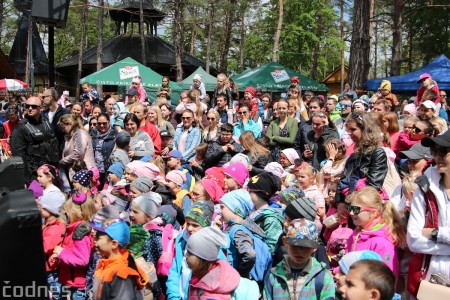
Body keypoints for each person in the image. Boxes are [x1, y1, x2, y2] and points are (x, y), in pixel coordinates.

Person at [406, 129, 450, 296]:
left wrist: (435, 233)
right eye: (434, 151)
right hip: (427, 282)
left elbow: (422, 235)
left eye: (443, 151)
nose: (437, 157)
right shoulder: (424, 188)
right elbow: (414, 240)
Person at [263, 218, 336, 300]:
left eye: (306, 246)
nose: (300, 251)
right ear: (285, 242)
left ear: (315, 247)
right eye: (295, 245)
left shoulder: (323, 276)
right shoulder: (273, 275)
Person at [166, 201, 224, 299]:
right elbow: (174, 271)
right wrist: (173, 296)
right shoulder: (182, 241)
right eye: (188, 223)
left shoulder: (214, 249)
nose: (189, 228)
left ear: (206, 227)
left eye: (195, 225)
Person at [346, 187, 405, 278]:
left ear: (373, 213)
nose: (351, 213)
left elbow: (387, 277)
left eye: (356, 209)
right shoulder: (355, 234)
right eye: (350, 208)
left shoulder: (382, 243)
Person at [336, 112, 388, 203]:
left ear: (364, 130)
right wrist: (339, 203)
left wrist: (353, 205)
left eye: (353, 129)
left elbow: (373, 186)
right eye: (348, 130)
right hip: (350, 203)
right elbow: (343, 180)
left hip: (364, 205)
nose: (349, 133)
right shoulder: (354, 155)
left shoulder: (377, 153)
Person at [52, 192, 96, 299]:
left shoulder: (80, 233)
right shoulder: (73, 229)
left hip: (78, 285)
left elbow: (83, 260)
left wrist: (61, 253)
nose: (65, 214)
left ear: (79, 213)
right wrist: (61, 258)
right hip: (71, 281)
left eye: (68, 211)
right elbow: (73, 252)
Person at [91, 219, 148, 299]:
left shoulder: (122, 273)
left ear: (114, 244)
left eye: (98, 238)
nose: (94, 241)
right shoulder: (104, 262)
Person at [10, 96, 60, 185]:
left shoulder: (46, 123)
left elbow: (54, 145)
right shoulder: (20, 128)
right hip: (32, 174)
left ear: (40, 108)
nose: (29, 108)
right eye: (27, 106)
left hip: (49, 170)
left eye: (33, 106)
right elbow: (18, 155)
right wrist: (25, 179)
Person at [219, 189, 268, 280]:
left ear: (235, 209)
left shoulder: (238, 230)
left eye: (222, 207)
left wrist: (239, 276)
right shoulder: (244, 226)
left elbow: (249, 254)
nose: (219, 211)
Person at [38, 191, 67, 300]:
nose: (39, 208)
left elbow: (44, 247)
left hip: (53, 271)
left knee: (57, 296)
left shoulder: (56, 227)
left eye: (42, 207)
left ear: (50, 210)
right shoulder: (47, 222)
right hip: (47, 269)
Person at [247, 173, 283, 255]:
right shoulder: (250, 210)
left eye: (251, 191)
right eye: (248, 190)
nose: (248, 194)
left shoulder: (271, 219)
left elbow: (272, 247)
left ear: (263, 193)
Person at [59, 114, 96, 181]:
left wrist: (62, 161)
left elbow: (79, 154)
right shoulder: (71, 136)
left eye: (63, 127)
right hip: (76, 172)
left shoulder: (79, 134)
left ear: (69, 124)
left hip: (84, 173)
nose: (63, 130)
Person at [90, 113, 117, 189]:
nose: (101, 125)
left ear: (109, 122)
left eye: (104, 123)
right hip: (95, 170)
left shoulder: (115, 135)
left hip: (108, 169)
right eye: (99, 123)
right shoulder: (92, 134)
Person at [41, 88, 70, 157]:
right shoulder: (43, 114)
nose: (42, 99)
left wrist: (50, 129)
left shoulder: (64, 112)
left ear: (50, 97)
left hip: (60, 151)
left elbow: (61, 129)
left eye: (43, 97)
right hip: (46, 152)